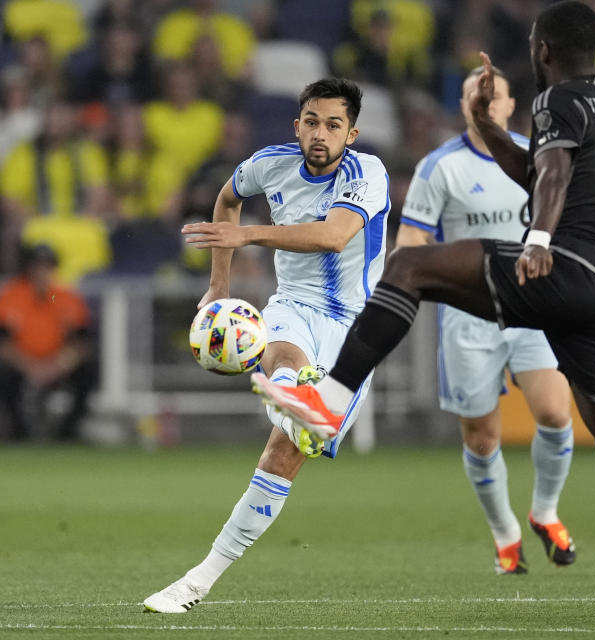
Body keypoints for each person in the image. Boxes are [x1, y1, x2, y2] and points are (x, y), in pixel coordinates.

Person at [253, 3, 595, 637]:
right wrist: (481, 122)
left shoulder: (555, 99)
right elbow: (538, 169)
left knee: (410, 270)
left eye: (533, 45)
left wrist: (540, 240)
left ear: (546, 51)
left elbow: (550, 175)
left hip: (562, 265)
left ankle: (327, 400)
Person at [142, 78, 391, 613]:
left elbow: (332, 236)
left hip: (356, 327)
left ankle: (203, 577)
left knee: (285, 452)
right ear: (295, 125)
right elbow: (228, 198)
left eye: (333, 125)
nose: (320, 134)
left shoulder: (367, 173)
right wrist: (219, 284)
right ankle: (291, 387)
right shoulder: (268, 163)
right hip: (294, 304)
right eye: (311, 122)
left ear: (352, 133)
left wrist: (248, 236)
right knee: (281, 359)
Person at [397, 64, 575, 575]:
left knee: (556, 413)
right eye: (477, 92)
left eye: (494, 94)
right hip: (468, 315)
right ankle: (506, 536)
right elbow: (412, 242)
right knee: (480, 437)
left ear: (510, 105)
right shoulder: (440, 167)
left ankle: (545, 513)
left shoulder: (536, 159)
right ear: (463, 104)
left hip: (534, 307)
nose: (486, 100)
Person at [0, 244, 95, 441]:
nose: (42, 272)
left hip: (57, 363)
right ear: (28, 268)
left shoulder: (66, 297)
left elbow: (81, 343)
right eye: (37, 266)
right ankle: (19, 431)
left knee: (89, 370)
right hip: (22, 363)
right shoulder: (11, 296)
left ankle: (68, 431)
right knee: (4, 374)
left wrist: (58, 365)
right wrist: (30, 367)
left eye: (47, 266)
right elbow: (3, 343)